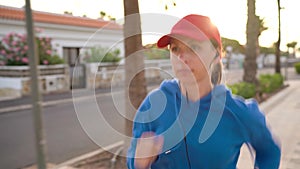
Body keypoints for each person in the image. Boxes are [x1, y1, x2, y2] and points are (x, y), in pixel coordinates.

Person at [127, 14, 281, 169]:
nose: (182, 58)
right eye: (175, 49)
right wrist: (139, 162)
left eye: (194, 47)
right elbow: (132, 159)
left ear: (217, 54)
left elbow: (270, 152)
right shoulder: (154, 104)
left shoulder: (236, 112)